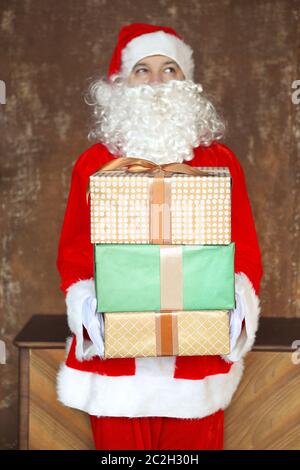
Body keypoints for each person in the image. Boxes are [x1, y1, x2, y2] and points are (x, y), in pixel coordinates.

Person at [56, 23, 263, 450]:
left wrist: (235, 302)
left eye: (169, 70)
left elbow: (243, 243)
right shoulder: (95, 163)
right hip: (117, 358)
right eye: (142, 70)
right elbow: (74, 249)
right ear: (120, 86)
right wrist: (89, 303)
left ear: (188, 82)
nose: (155, 82)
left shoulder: (218, 161)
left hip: (196, 356)